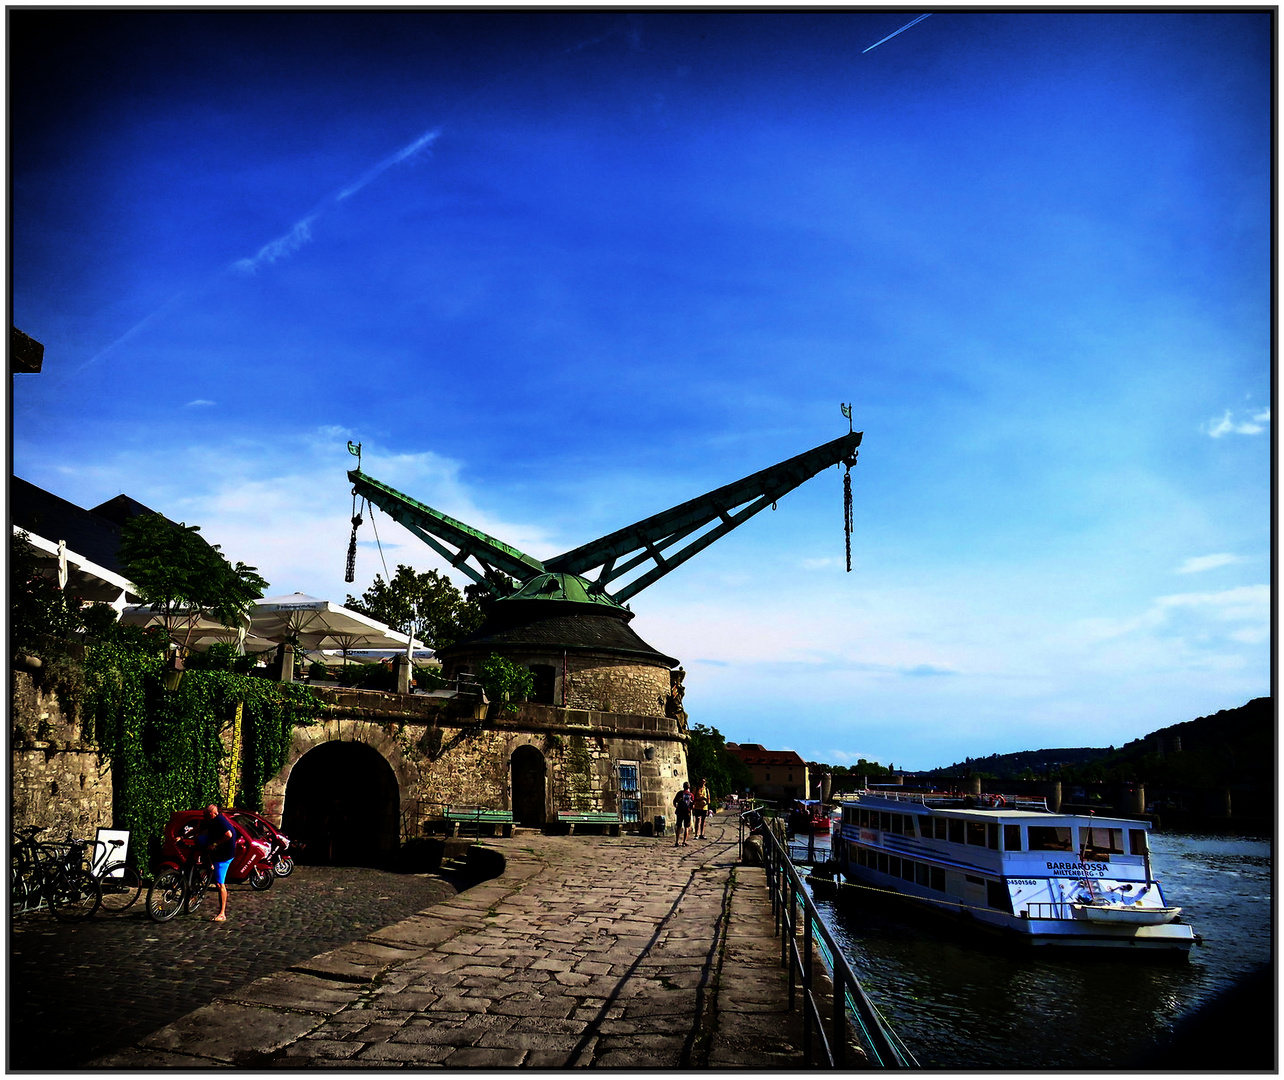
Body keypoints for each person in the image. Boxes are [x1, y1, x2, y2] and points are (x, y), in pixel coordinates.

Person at [195, 803, 237, 922]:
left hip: (224, 854)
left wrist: (214, 845)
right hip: (217, 848)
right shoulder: (209, 820)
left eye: (207, 815)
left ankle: (222, 913)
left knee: (220, 885)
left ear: (214, 813)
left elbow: (228, 835)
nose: (205, 817)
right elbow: (199, 829)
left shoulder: (220, 821)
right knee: (199, 840)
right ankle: (208, 866)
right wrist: (183, 837)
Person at [672, 782, 693, 847]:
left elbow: (674, 801)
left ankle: (676, 841)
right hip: (687, 812)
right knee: (686, 827)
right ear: (689, 787)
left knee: (678, 826)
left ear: (683, 786)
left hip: (680, 811)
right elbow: (693, 804)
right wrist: (690, 809)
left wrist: (677, 807)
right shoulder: (691, 795)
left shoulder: (680, 793)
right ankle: (684, 841)